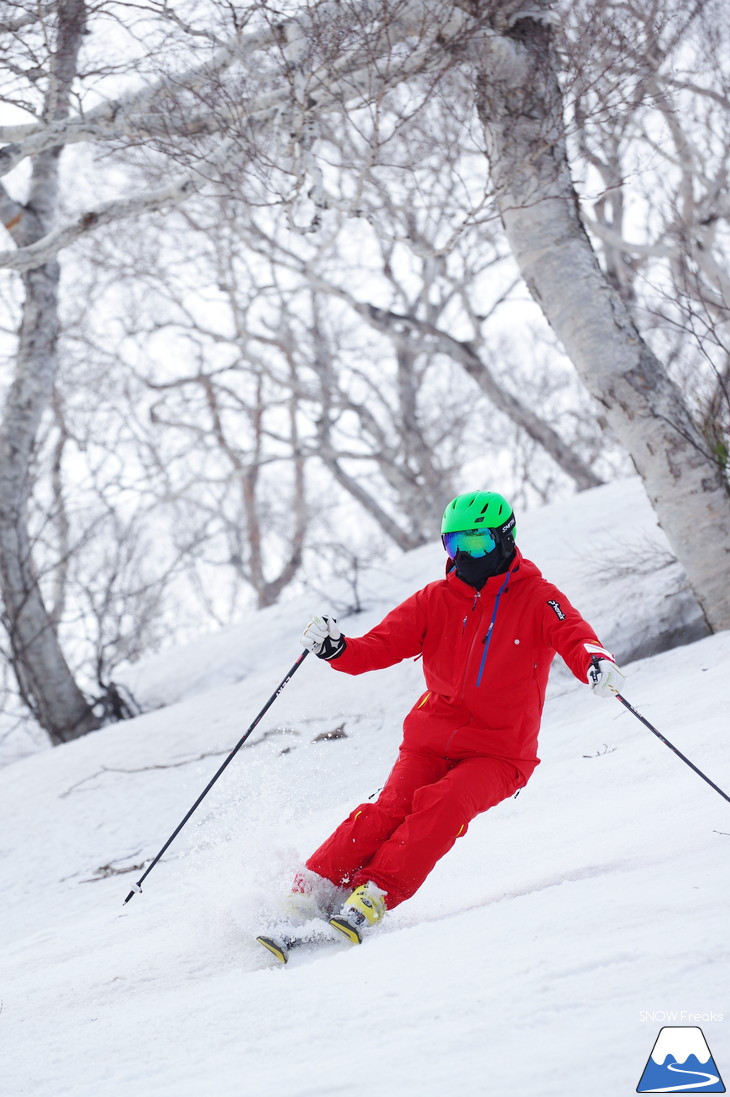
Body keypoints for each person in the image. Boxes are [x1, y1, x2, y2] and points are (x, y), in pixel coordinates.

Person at [288, 491, 624, 946]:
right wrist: (338, 648)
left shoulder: (537, 597)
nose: (466, 555)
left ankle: (373, 893)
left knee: (444, 805)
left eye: (478, 543)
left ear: (505, 540)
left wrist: (594, 663)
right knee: (390, 809)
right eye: (454, 545)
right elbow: (379, 646)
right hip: (430, 739)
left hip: (501, 752)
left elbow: (573, 633)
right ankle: (311, 889)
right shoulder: (436, 599)